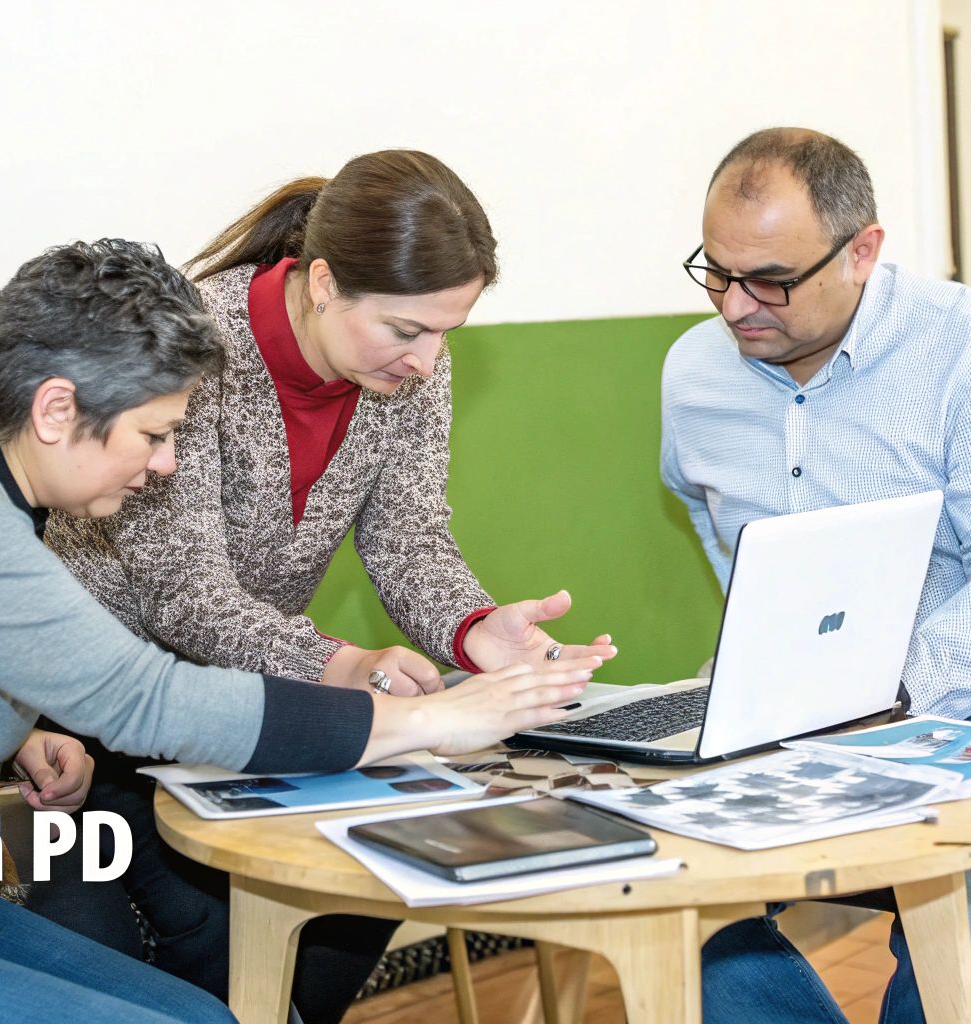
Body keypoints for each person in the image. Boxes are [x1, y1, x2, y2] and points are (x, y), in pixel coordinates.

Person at [0, 239, 599, 1024]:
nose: (166, 463)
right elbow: (142, 699)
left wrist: (16, 727)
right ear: (58, 409)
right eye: (153, 434)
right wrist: (435, 724)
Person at [33, 151, 618, 1024]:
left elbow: (410, 536)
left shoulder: (410, 363)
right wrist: (341, 662)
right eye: (407, 331)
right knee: (139, 970)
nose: (427, 360)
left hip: (250, 708)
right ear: (321, 283)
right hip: (83, 714)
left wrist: (476, 627)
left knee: (338, 918)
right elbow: (183, 594)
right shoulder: (192, 345)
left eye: (449, 331)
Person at [661, 128, 971, 1024]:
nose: (738, 307)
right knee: (674, 905)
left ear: (862, 251)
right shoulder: (694, 374)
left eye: (773, 281)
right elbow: (726, 543)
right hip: (792, 706)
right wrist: (770, 681)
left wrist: (885, 694)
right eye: (717, 272)